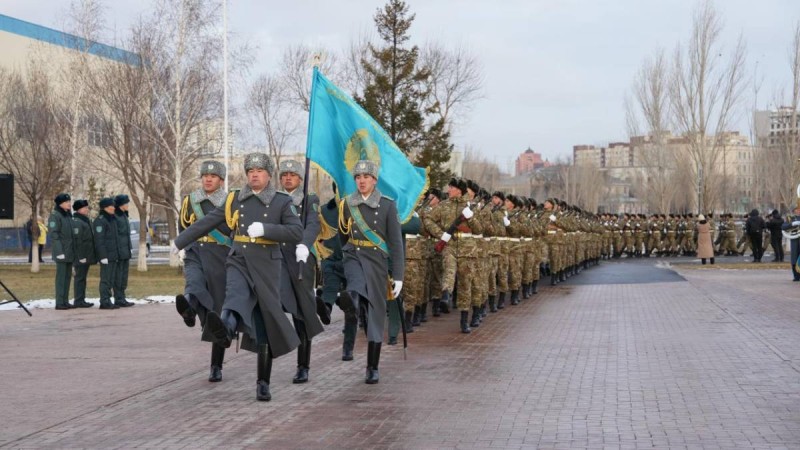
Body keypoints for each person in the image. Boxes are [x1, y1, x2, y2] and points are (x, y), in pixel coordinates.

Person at [173, 152, 303, 401]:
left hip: (266, 265)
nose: (254, 174)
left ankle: (263, 382)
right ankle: (225, 330)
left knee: (264, 325)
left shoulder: (281, 201)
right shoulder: (235, 199)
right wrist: (180, 241)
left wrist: (267, 229)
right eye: (250, 171)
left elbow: (296, 232)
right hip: (239, 258)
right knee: (233, 296)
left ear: (268, 175)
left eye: (259, 171)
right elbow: (209, 221)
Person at [338, 160, 404, 384]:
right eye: (358, 177)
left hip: (377, 261)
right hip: (354, 255)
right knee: (355, 284)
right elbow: (342, 235)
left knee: (376, 315)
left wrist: (398, 276)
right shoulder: (347, 204)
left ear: (374, 180)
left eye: (366, 177)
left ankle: (372, 367)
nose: (361, 181)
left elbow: (396, 243)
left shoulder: (387, 205)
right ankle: (353, 302)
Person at [175, 160, 231, 382]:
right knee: (194, 285)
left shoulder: (228, 202)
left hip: (221, 257)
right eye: (205, 176)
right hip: (196, 252)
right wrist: (184, 247)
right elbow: (183, 227)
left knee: (216, 313)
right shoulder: (190, 201)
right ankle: (188, 310)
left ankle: (216, 365)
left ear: (221, 180)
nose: (208, 179)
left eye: (213, 176)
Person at [276, 159, 324, 384]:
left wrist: (305, 244)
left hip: (300, 259)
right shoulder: (274, 200)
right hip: (278, 261)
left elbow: (313, 224)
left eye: (292, 175)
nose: (288, 178)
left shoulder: (309, 199)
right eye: (284, 174)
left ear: (300, 179)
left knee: (302, 313)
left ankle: (303, 365)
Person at [48, 193, 75, 310]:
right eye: (66, 202)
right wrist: (59, 252)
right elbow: (54, 235)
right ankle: (59, 302)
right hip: (62, 251)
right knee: (61, 278)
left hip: (69, 251)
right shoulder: (55, 215)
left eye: (69, 201)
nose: (69, 203)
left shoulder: (68, 215)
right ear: (60, 204)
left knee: (67, 277)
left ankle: (65, 300)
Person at [94, 198, 120, 309]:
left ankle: (108, 299)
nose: (114, 208)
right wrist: (103, 256)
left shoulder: (112, 219)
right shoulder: (100, 220)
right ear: (105, 207)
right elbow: (99, 240)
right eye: (111, 206)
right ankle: (104, 301)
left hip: (113, 255)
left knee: (110, 279)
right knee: (105, 279)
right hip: (106, 256)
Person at [71, 199, 96, 308]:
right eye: (84, 208)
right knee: (79, 278)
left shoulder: (85, 220)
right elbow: (78, 241)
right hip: (80, 256)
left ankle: (81, 299)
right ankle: (78, 300)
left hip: (87, 254)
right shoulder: (77, 221)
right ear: (78, 209)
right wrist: (80, 256)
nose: (86, 209)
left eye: (86, 207)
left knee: (82, 278)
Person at [113, 195, 135, 307]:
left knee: (124, 275)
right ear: (121, 204)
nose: (127, 205)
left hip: (125, 250)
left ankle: (122, 297)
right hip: (119, 250)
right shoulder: (116, 216)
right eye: (126, 203)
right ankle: (118, 298)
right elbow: (115, 235)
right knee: (118, 275)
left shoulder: (124, 216)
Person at [782, 201, 800, 281]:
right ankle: (796, 276)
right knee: (794, 258)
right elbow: (783, 227)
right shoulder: (790, 218)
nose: (799, 210)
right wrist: (792, 224)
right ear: (794, 210)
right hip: (795, 240)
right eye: (797, 209)